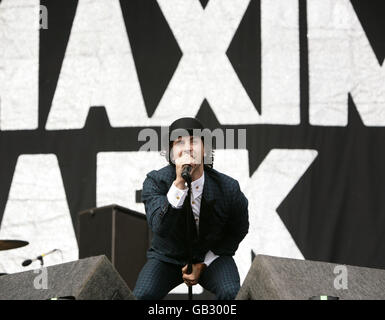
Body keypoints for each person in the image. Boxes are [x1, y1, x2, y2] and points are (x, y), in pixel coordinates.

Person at [133, 117, 249, 300]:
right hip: (167, 257)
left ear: (204, 149)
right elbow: (159, 226)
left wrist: (204, 262)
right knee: (141, 295)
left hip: (211, 255)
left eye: (194, 141)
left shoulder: (228, 188)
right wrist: (179, 184)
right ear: (171, 153)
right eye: (179, 142)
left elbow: (239, 228)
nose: (187, 148)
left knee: (232, 293)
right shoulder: (155, 182)